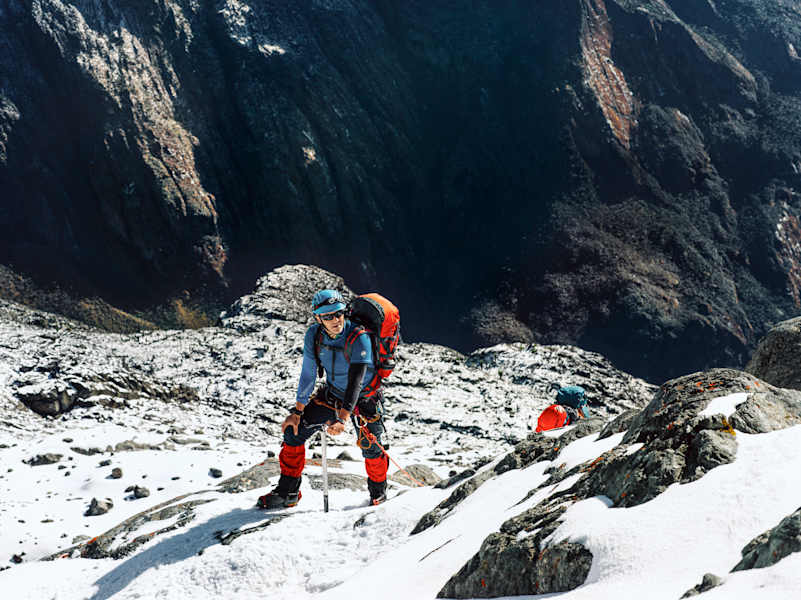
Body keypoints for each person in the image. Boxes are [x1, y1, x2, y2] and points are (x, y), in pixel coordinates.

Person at [258, 289, 390, 508]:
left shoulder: (360, 337)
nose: (335, 320)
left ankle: (378, 494)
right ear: (318, 318)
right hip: (332, 395)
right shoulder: (314, 335)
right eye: (328, 316)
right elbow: (308, 374)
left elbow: (356, 381)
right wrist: (297, 412)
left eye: (338, 314)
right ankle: (288, 492)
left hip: (365, 400)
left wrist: (343, 419)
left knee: (372, 449)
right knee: (294, 432)